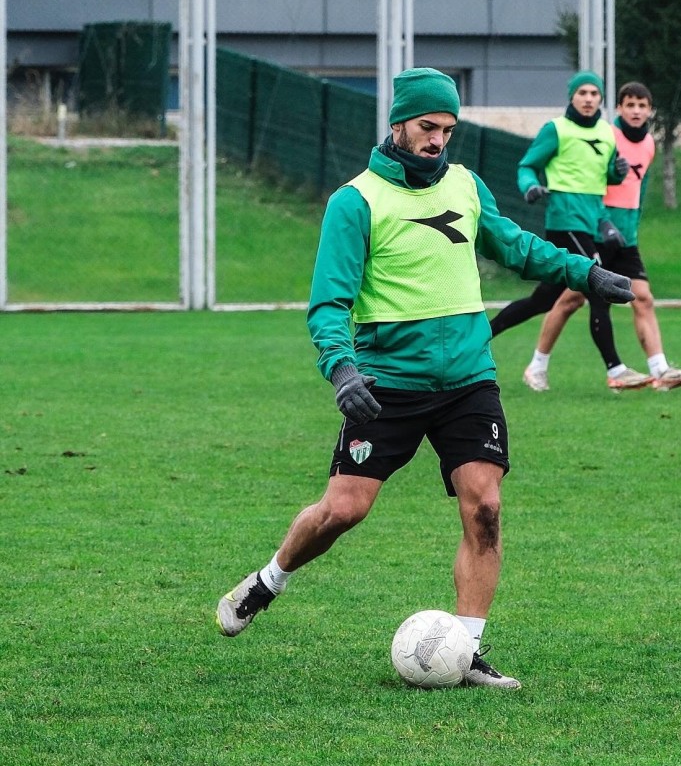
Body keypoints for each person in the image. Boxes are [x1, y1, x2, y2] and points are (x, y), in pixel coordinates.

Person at [215, 67, 635, 689]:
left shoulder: (465, 184)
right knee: (343, 510)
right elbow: (329, 304)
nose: (438, 140)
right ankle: (268, 580)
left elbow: (516, 246)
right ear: (397, 125)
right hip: (387, 382)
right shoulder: (355, 201)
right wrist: (342, 369)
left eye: (448, 129)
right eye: (427, 127)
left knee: (485, 507)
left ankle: (466, 650)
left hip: (468, 378)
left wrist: (585, 274)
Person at [522, 81, 681, 392]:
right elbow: (592, 180)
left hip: (625, 237)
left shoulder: (649, 144)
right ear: (618, 108)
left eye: (642, 106)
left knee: (642, 297)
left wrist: (631, 228)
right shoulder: (606, 134)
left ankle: (661, 370)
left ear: (650, 110)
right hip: (597, 232)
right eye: (630, 105)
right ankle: (540, 366)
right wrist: (601, 221)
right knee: (570, 300)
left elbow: (637, 188)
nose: (636, 111)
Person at [488, 70, 630, 392]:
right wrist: (530, 186)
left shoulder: (608, 133)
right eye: (583, 93)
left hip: (590, 222)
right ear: (571, 96)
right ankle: (617, 370)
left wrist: (617, 173)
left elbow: (603, 178)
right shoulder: (556, 129)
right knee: (599, 288)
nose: (589, 99)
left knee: (543, 300)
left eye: (594, 94)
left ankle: (481, 338)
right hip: (565, 221)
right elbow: (527, 165)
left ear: (601, 98)